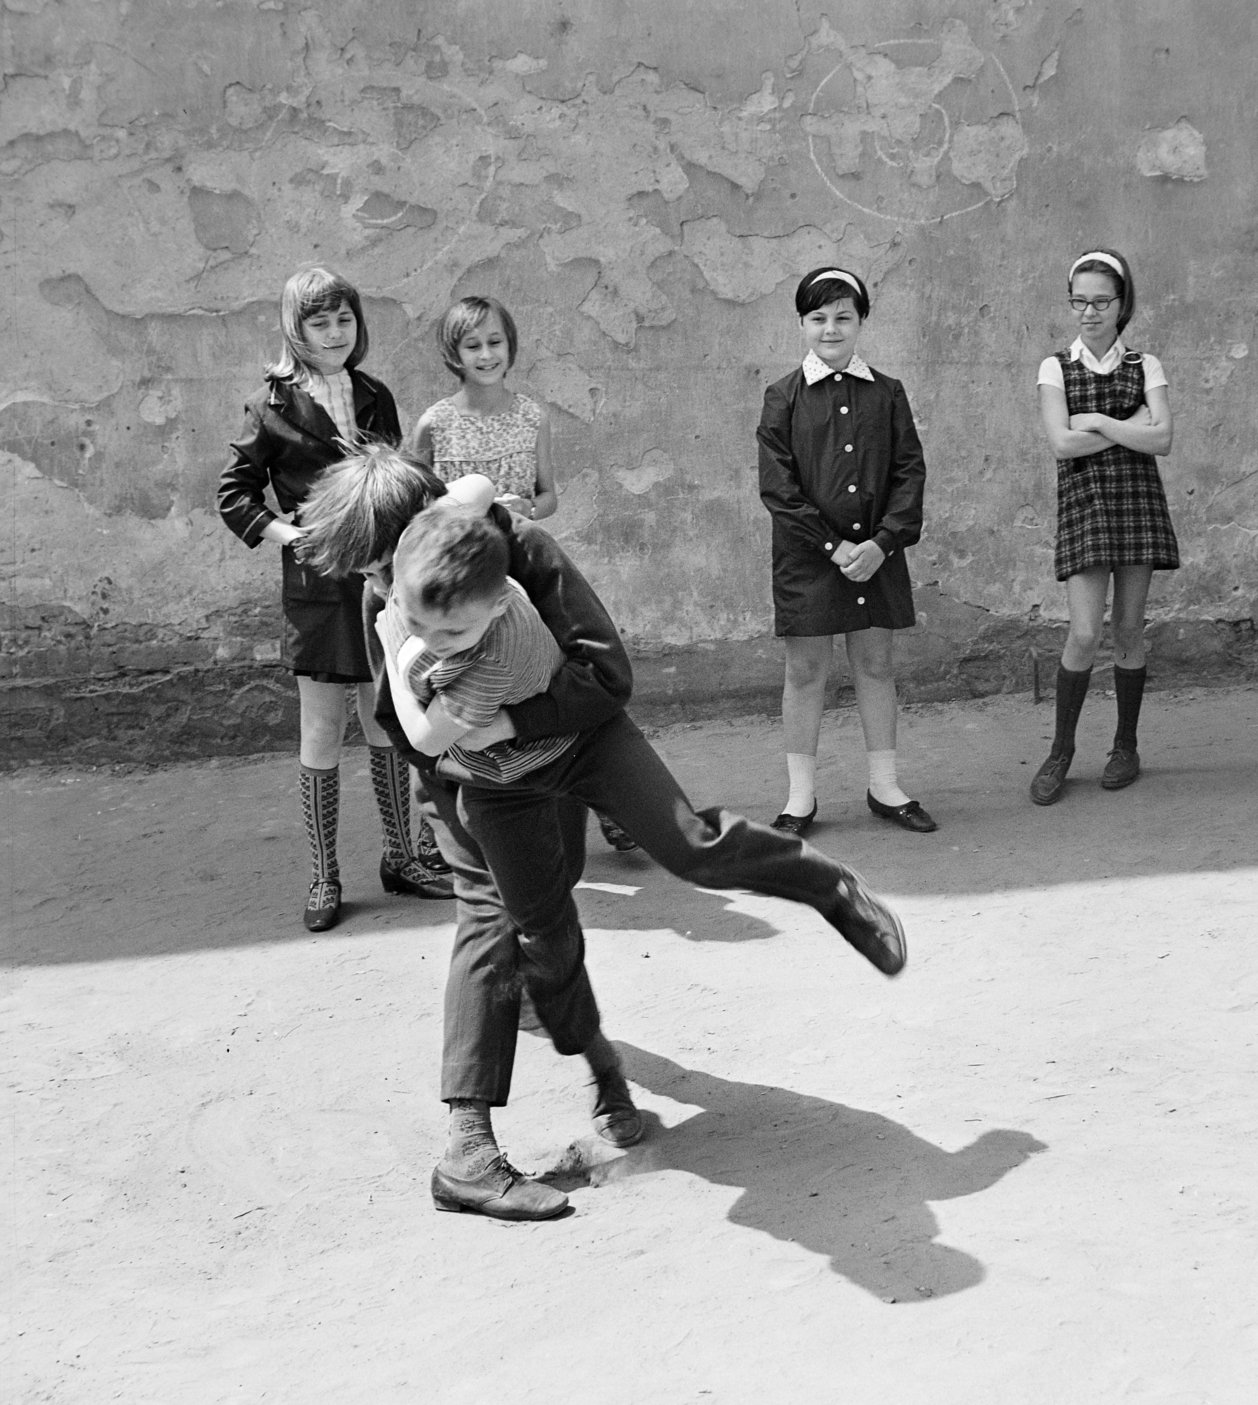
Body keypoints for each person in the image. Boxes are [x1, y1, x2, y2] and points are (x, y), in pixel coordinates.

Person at [294, 445, 910, 1223]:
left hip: (583, 738)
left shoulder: (520, 553)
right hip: (481, 784)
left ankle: (828, 886)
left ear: (433, 531)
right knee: (514, 928)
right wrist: (455, 785)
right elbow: (402, 722)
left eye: (385, 565)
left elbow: (606, 676)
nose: (384, 590)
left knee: (689, 846)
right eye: (371, 575)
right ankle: (500, 1132)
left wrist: (511, 722)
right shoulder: (388, 597)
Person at [216, 266, 451, 932]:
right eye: (319, 322)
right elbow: (233, 494)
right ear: (296, 328)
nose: (334, 333)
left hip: (379, 580)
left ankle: (402, 858)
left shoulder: (374, 394)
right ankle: (324, 875)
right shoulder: (269, 405)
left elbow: (397, 479)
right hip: (317, 587)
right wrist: (293, 536)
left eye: (344, 319)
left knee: (385, 717)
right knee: (321, 728)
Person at [410, 294, 637, 853]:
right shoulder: (434, 422)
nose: (486, 354)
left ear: (511, 347)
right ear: (453, 353)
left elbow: (549, 494)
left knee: (555, 678)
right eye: (473, 345)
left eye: (495, 342)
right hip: (461, 580)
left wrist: (526, 508)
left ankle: (606, 801)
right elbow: (416, 505)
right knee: (451, 690)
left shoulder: (532, 415)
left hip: (523, 566)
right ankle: (444, 824)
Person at [757, 266, 936, 835]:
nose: (830, 329)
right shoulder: (782, 397)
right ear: (801, 324)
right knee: (806, 670)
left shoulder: (887, 392)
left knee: (876, 664)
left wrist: (883, 543)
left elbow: (909, 472)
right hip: (809, 558)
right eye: (818, 318)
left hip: (877, 555)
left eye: (843, 317)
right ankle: (800, 799)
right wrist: (834, 547)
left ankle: (885, 786)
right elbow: (778, 489)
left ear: (861, 322)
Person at [1029, 248, 1177, 805]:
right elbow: (1062, 444)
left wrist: (1094, 420)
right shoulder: (1054, 367)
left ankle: (1125, 747)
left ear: (1121, 304)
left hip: (1137, 503)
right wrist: (1128, 424)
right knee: (1086, 633)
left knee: (1130, 630)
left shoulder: (1146, 365)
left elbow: (1162, 439)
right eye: (1079, 302)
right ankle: (1061, 751)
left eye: (1100, 302)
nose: (1088, 313)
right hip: (1086, 506)